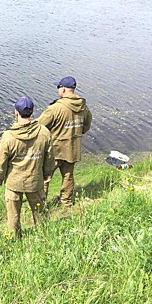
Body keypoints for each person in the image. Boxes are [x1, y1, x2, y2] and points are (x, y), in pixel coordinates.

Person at [0, 96, 55, 237]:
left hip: (14, 183)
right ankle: (44, 236)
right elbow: (50, 157)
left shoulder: (8, 136)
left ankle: (15, 239)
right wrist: (47, 173)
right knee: (40, 213)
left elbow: (0, 162)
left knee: (13, 216)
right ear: (32, 112)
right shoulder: (44, 132)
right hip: (35, 181)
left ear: (16, 113)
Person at [39, 76, 92, 207]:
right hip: (72, 148)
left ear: (63, 90)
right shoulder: (83, 107)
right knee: (68, 176)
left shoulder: (55, 108)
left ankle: (41, 204)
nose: (58, 90)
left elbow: (39, 127)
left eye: (58, 87)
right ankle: (66, 201)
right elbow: (86, 126)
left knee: (45, 177)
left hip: (55, 150)